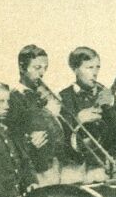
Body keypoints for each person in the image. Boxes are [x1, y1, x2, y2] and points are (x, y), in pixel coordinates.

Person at [5, 44, 70, 185]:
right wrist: (28, 139)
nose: (42, 73)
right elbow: (11, 134)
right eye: (37, 68)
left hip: (54, 165)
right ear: (22, 68)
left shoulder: (42, 96)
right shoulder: (13, 98)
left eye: (45, 68)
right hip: (36, 170)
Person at [59, 47, 116, 183]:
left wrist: (111, 105)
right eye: (89, 67)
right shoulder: (63, 97)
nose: (95, 73)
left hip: (100, 167)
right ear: (75, 69)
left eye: (97, 67)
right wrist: (78, 120)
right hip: (73, 168)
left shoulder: (106, 95)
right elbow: (60, 136)